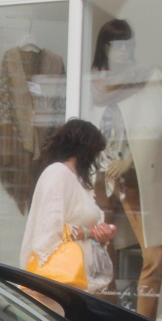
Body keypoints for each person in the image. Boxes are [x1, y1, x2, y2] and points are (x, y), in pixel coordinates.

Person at [89, 19, 162, 321]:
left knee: (155, 254)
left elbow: (157, 128)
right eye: (116, 46)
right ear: (105, 47)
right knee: (103, 254)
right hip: (100, 178)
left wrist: (129, 161)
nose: (123, 52)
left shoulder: (147, 77)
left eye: (128, 45)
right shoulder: (94, 83)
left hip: (136, 177)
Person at [20, 118, 116, 293]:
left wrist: (99, 235)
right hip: (54, 286)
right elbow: (48, 232)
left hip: (75, 283)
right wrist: (90, 232)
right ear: (84, 150)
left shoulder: (77, 181)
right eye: (95, 152)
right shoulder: (58, 173)